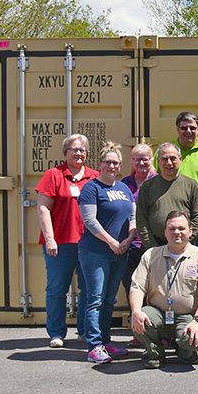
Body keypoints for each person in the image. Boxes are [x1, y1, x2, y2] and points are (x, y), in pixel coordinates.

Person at [129, 211, 198, 369]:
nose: (177, 232)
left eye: (181, 228)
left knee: (192, 338)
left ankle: (185, 351)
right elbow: (137, 287)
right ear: (165, 232)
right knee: (139, 318)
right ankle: (155, 353)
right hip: (157, 314)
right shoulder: (151, 255)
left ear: (190, 231)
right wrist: (136, 311)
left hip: (189, 317)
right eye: (171, 229)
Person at [35, 133, 98, 347]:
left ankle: (84, 331)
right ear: (65, 152)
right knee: (56, 288)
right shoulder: (54, 175)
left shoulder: (94, 176)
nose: (78, 153)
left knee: (88, 289)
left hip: (88, 244)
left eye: (82, 149)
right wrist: (50, 238)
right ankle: (56, 333)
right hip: (60, 243)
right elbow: (43, 207)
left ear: (87, 153)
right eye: (74, 149)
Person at [77, 142, 134, 364]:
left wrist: (128, 239)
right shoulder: (92, 188)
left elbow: (133, 216)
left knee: (110, 299)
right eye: (108, 162)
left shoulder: (124, 188)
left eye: (116, 163)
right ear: (100, 164)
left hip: (120, 252)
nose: (112, 166)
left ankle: (106, 340)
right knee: (96, 299)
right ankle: (94, 345)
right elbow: (89, 220)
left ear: (120, 166)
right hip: (95, 252)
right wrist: (112, 242)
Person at [136, 143, 198, 249]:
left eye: (173, 158)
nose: (169, 163)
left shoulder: (191, 185)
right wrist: (153, 247)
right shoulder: (147, 187)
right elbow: (141, 221)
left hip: (184, 248)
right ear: (158, 161)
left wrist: (183, 242)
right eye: (164, 159)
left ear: (180, 159)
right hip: (155, 248)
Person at [119, 144, 157, 317]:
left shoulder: (159, 182)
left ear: (151, 159)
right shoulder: (123, 184)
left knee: (152, 287)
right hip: (129, 244)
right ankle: (137, 324)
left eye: (145, 158)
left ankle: (154, 327)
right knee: (131, 285)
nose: (141, 162)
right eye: (137, 159)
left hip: (151, 243)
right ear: (132, 161)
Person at [163, 111, 198, 185]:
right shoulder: (165, 151)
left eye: (192, 128)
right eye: (184, 128)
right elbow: (153, 175)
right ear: (177, 129)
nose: (188, 131)